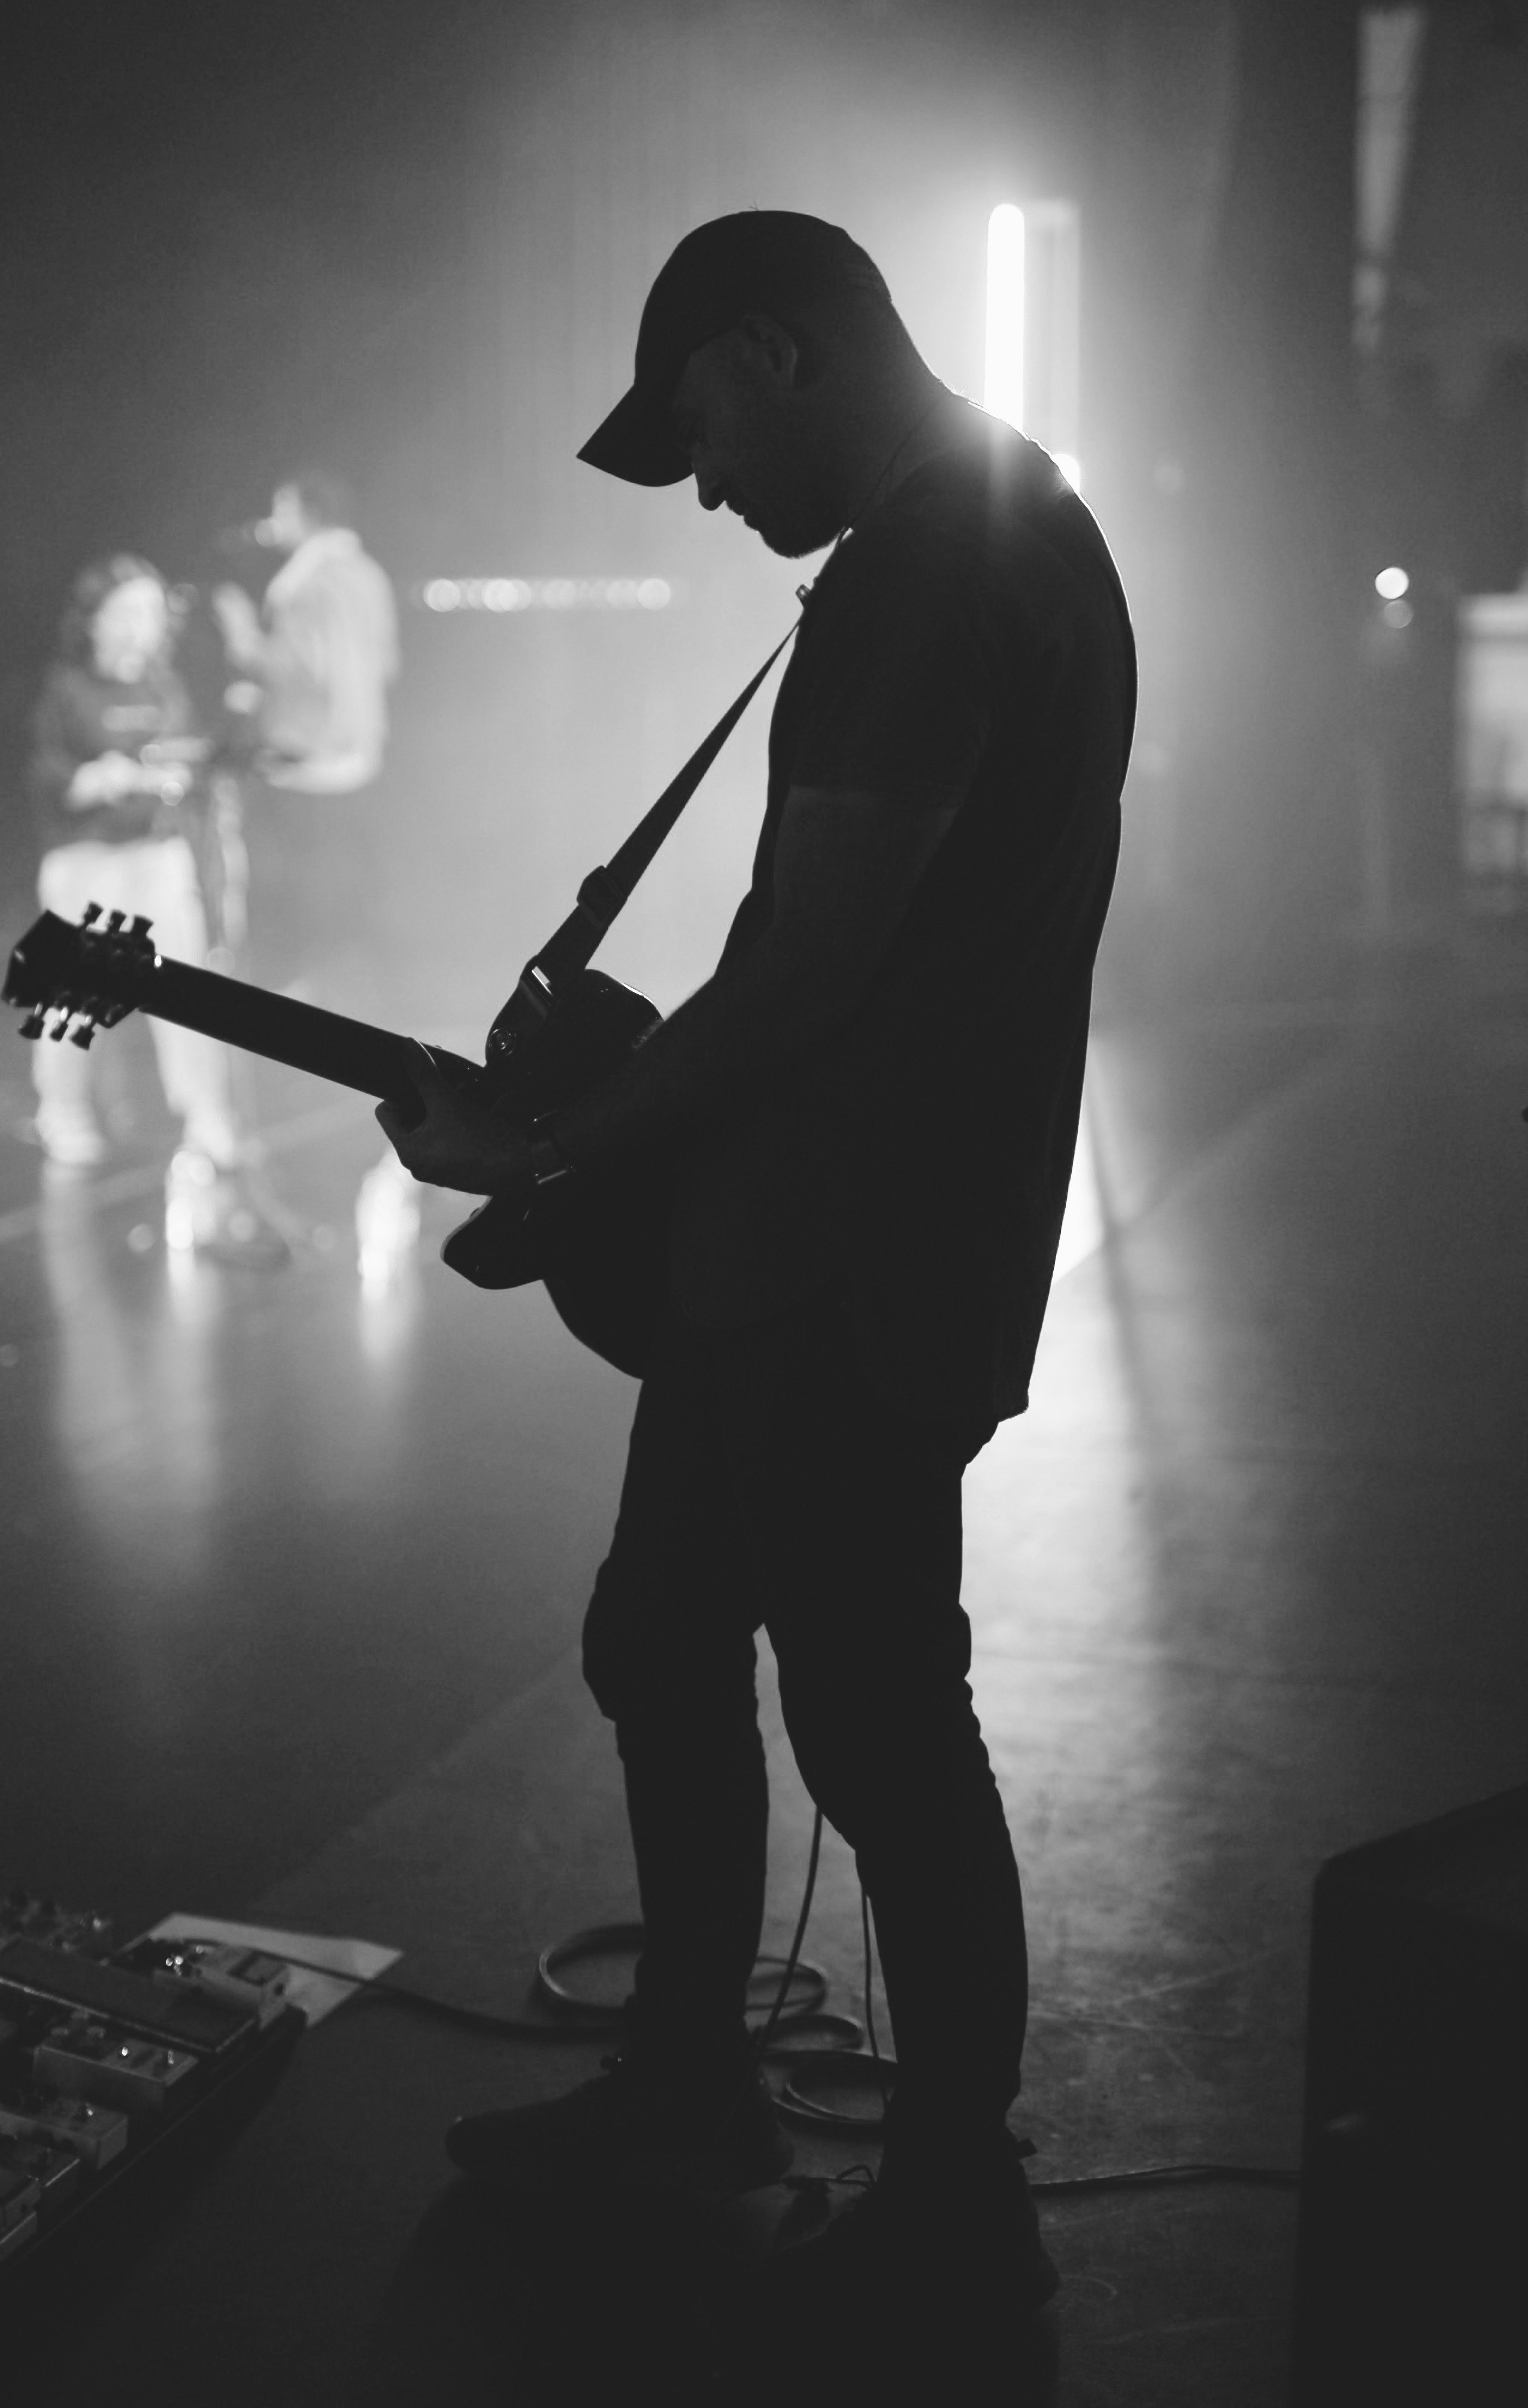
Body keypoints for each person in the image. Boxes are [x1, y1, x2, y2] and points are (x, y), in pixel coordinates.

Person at [377, 211, 1136, 2379]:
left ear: (770, 349)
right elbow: (867, 950)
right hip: (843, 1229)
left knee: (879, 1714)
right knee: (665, 1629)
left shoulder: (919, 568)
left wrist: (558, 1147)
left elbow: (813, 973)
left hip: (844, 1255)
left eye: (695, 424)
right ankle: (696, 2088)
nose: (701, 482)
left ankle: (953, 2208)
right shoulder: (1021, 526)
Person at [28, 554, 284, 1263]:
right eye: (129, 609)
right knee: (71, 995)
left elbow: (188, 759)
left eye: (152, 610)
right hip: (88, 861)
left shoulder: (164, 687)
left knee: (186, 990)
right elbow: (49, 776)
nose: (144, 624)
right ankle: (64, 1111)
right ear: (98, 618)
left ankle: (207, 1117)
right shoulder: (67, 690)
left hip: (157, 855)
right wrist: (93, 779)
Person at [211, 469, 399, 1006]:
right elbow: (386, 662)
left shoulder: (303, 583)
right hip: (360, 748)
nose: (273, 522)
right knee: (345, 873)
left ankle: (300, 989)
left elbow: (293, 668)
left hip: (307, 755)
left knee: (299, 878)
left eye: (282, 509)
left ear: (309, 514)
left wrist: (240, 630)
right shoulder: (368, 574)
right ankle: (346, 981)